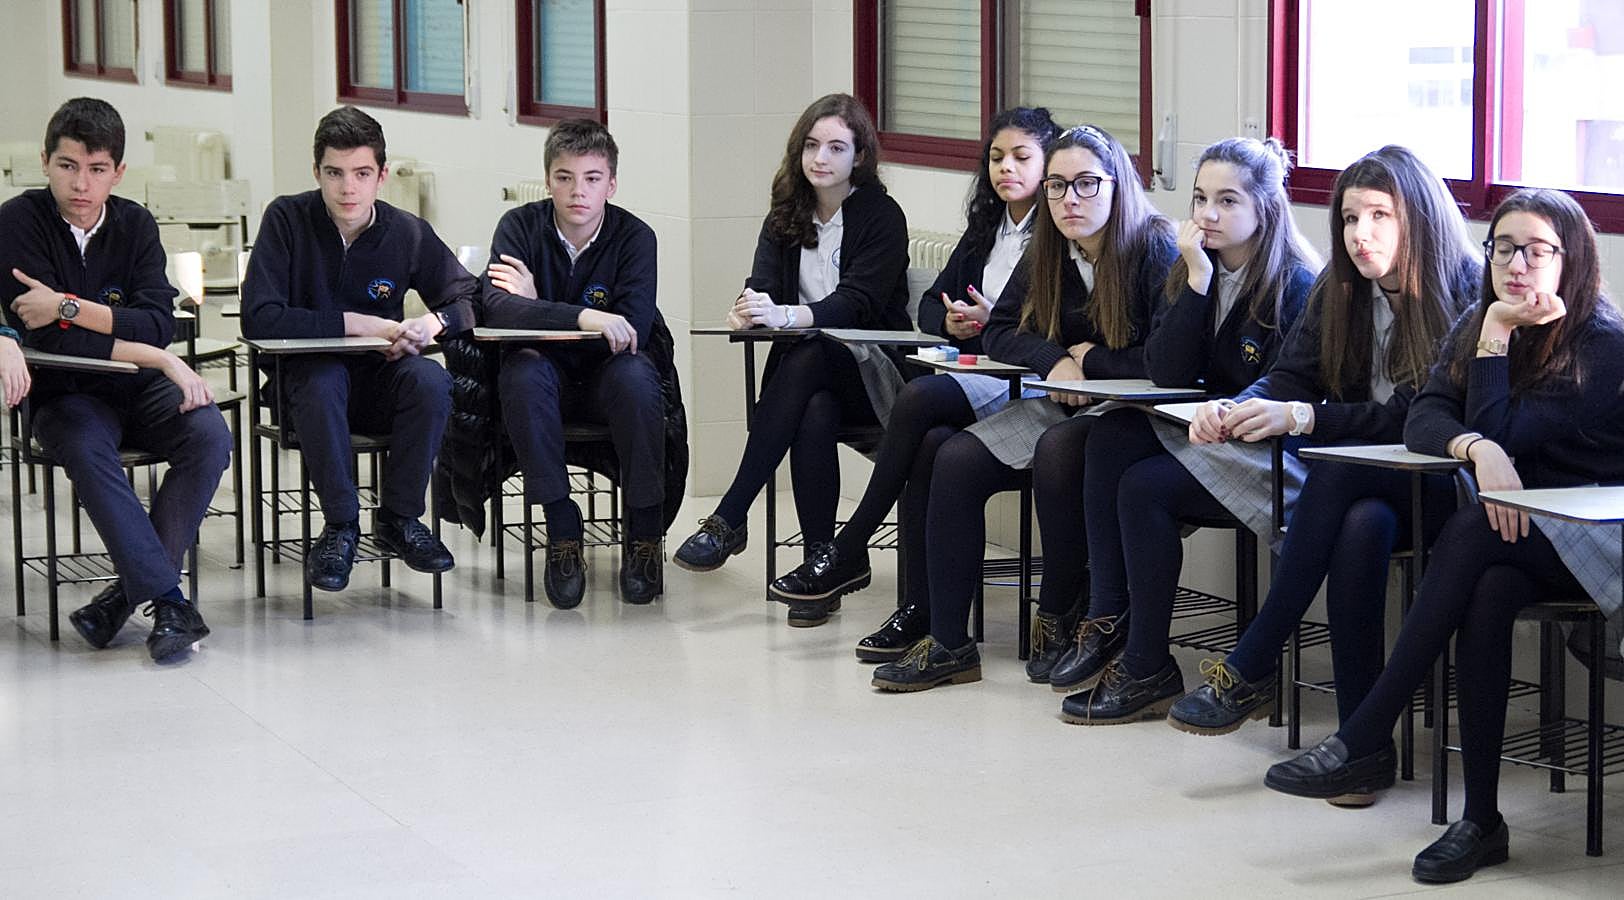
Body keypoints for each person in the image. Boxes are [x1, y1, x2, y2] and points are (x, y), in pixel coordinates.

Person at [1265, 188, 1624, 884]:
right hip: (1519, 530)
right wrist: (1474, 447)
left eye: (1536, 251)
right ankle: (1481, 821)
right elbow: (1424, 417)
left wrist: (1494, 350)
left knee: (1471, 529)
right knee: (1486, 590)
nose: (1516, 265)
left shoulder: (1601, 344)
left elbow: (1505, 430)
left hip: (1599, 538)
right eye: (1503, 248)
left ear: (1572, 260)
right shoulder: (1479, 320)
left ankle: (1366, 732)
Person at [1151, 148, 1478, 766]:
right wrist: (1235, 408)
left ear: (1418, 219)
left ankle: (1254, 659)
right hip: (1366, 488)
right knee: (1361, 527)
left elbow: (1417, 418)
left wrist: (1306, 418)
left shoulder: (1464, 288)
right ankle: (1362, 748)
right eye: (1350, 219)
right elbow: (1291, 375)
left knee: (1335, 471)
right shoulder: (1340, 285)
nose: (1360, 234)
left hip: (1447, 483)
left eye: (1379, 216)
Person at [870, 124, 1175, 691]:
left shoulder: (1153, 246)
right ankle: (949, 644)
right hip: (1065, 397)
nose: (1069, 200)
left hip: (1135, 411)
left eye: (1086, 184)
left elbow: (1168, 361)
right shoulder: (1050, 246)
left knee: (1058, 449)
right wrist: (1053, 358)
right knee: (952, 456)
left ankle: (1058, 610)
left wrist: (1091, 360)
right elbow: (1001, 329)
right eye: (1056, 186)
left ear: (1118, 186)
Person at [1018, 137, 1319, 687]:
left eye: (1227, 201)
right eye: (1200, 199)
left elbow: (1288, 385)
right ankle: (1106, 615)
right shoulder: (1194, 268)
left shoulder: (1294, 283)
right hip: (1208, 432)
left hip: (1265, 449)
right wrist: (1198, 282)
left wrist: (1229, 410)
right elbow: (1168, 371)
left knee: (1142, 486)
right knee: (1109, 434)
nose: (1208, 215)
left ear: (1265, 209)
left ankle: (1146, 659)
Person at [766, 106, 1060, 644]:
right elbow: (928, 308)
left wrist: (991, 326)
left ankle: (850, 546)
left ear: (1049, 167)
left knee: (920, 397)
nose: (1006, 169)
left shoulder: (1056, 233)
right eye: (997, 157)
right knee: (930, 444)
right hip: (979, 374)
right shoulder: (988, 227)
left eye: (1022, 157)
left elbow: (1046, 331)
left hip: (1026, 383)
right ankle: (920, 614)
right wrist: (952, 321)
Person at [0, 97, 230, 661]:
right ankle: (168, 600)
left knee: (209, 435)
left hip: (137, 385)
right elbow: (49, 340)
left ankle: (121, 599)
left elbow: (159, 323)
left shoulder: (135, 224)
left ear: (118, 172)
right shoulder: (17, 221)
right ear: (45, 162)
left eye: (97, 169)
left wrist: (68, 306)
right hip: (63, 390)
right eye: (67, 166)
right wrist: (160, 358)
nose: (81, 184)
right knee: (86, 447)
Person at [672, 94, 911, 612]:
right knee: (814, 408)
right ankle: (821, 571)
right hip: (811, 384)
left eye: (836, 148)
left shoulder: (882, 216)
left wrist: (787, 316)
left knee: (814, 352)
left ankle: (731, 514)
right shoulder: (786, 213)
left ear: (860, 156)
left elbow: (857, 304)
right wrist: (749, 309)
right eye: (811, 145)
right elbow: (762, 284)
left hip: (876, 374)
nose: (820, 158)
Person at [241, 106, 475, 593]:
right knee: (323, 377)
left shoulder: (407, 231)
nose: (348, 188)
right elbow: (259, 316)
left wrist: (432, 323)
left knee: (430, 379)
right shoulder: (286, 219)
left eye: (362, 174)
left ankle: (399, 518)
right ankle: (341, 526)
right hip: (305, 385)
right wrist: (359, 325)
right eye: (335, 173)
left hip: (376, 383)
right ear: (316, 172)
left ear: (382, 176)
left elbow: (469, 297)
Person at [478, 118, 665, 607]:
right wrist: (586, 317)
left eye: (592, 178)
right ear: (548, 180)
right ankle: (562, 526)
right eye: (565, 177)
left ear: (612, 184)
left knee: (637, 378)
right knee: (522, 372)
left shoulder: (636, 237)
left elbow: (633, 330)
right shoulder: (518, 227)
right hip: (545, 376)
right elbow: (496, 310)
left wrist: (536, 307)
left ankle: (645, 532)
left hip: (610, 375)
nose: (578, 191)